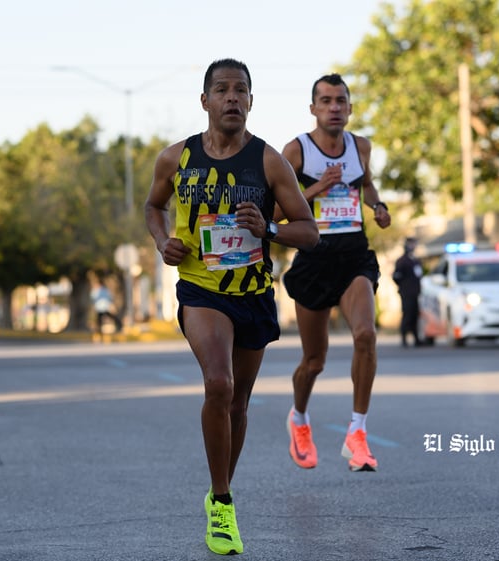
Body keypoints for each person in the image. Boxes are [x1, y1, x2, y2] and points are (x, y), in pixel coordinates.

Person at [144, 58, 318, 556]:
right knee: (218, 384)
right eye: (221, 90)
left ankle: (220, 488)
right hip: (201, 290)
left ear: (251, 101)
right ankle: (222, 502)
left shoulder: (268, 162)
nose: (232, 98)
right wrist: (162, 243)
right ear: (205, 101)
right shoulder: (175, 159)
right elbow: (153, 207)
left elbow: (310, 233)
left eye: (241, 90)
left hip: (253, 294)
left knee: (238, 403)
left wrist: (271, 230)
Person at [280, 73, 391, 472]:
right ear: (313, 108)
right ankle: (299, 418)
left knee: (366, 335)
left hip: (353, 256)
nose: (334, 108)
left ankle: (357, 433)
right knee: (314, 361)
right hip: (313, 257)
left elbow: (368, 186)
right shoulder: (295, 151)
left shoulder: (361, 147)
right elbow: (272, 212)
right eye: (325, 101)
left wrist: (377, 207)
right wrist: (315, 190)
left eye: (340, 101)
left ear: (349, 107)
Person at [393, 237, 424, 347]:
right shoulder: (402, 261)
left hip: (415, 292)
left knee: (415, 315)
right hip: (406, 292)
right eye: (411, 244)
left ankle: (416, 338)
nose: (413, 246)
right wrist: (404, 286)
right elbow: (396, 276)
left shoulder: (415, 260)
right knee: (407, 314)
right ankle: (404, 338)